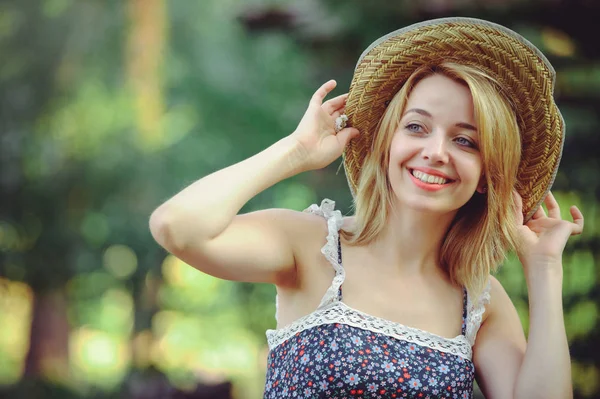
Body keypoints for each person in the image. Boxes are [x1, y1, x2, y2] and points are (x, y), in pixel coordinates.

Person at [149, 17, 584, 399]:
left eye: (465, 140)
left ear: (488, 176)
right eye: (416, 127)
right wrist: (295, 152)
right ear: (386, 142)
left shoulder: (479, 300)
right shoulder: (310, 245)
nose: (435, 151)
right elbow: (176, 227)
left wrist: (544, 269)